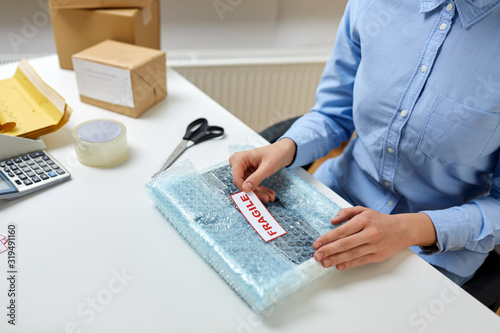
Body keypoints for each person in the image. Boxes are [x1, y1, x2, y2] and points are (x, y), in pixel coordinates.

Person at [229, 0, 500, 286]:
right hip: (332, 198)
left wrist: (410, 229)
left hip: (431, 251)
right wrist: (284, 148)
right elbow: (333, 113)